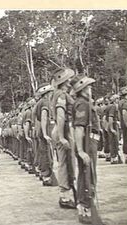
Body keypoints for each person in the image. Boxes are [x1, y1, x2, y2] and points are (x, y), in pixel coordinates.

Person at [72, 75, 99, 224]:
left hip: (91, 141)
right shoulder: (82, 104)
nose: (91, 89)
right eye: (88, 87)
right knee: (86, 174)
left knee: (88, 173)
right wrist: (81, 151)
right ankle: (84, 207)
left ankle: (84, 205)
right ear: (82, 89)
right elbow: (79, 128)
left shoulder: (85, 103)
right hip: (87, 142)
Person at [51, 68, 76, 209]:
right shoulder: (60, 94)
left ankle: (66, 194)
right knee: (65, 164)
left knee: (66, 163)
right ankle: (64, 197)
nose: (70, 80)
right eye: (69, 78)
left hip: (63, 129)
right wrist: (62, 137)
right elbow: (61, 115)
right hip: (63, 129)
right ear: (65, 81)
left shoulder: (60, 93)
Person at [35, 82, 55, 186]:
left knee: (43, 152)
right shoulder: (45, 102)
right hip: (46, 130)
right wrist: (45, 133)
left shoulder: (39, 102)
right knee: (47, 154)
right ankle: (47, 176)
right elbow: (43, 117)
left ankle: (44, 174)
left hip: (42, 130)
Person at [118, 87, 127, 164]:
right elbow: (124, 113)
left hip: (123, 124)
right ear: (126, 95)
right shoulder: (126, 102)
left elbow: (120, 115)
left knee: (126, 140)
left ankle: (126, 156)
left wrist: (122, 122)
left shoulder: (120, 102)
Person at [108, 94, 121, 164]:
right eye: (118, 99)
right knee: (114, 142)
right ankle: (114, 158)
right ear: (115, 100)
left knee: (113, 142)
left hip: (113, 124)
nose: (118, 100)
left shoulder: (110, 106)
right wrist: (112, 128)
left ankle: (113, 158)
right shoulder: (113, 106)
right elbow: (110, 117)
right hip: (113, 125)